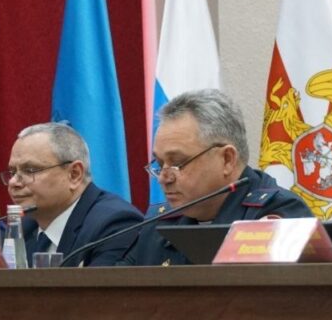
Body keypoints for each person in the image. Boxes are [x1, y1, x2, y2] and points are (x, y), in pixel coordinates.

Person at [118, 89, 313, 266]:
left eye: (178, 163)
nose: (164, 178)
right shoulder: (158, 223)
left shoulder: (278, 215)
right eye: (160, 165)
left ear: (227, 159)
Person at [4, 122, 142, 267]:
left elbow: (101, 282)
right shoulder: (23, 228)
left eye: (30, 170)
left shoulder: (114, 225)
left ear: (74, 174)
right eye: (12, 172)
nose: (13, 182)